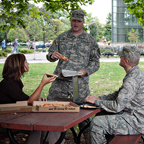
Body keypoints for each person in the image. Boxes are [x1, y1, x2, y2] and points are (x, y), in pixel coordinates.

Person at [46, 9, 100, 143]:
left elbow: (96, 62)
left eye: (79, 21)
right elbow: (50, 54)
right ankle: (54, 140)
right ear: (70, 20)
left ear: (83, 21)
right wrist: (51, 56)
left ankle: (89, 141)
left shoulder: (90, 40)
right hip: (60, 81)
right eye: (74, 20)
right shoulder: (61, 37)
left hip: (79, 83)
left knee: (84, 115)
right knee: (51, 110)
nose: (76, 23)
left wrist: (86, 71)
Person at [0, 53, 64, 144]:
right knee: (37, 126)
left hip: (12, 117)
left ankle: (57, 142)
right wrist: (42, 84)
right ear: (19, 66)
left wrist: (37, 100)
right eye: (26, 62)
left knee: (43, 123)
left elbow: (24, 99)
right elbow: (29, 102)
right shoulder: (8, 84)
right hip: (4, 122)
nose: (28, 64)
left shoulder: (14, 81)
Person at [84, 46, 143, 144]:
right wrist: (100, 98)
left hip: (137, 122)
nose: (119, 58)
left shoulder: (131, 80)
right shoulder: (135, 72)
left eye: (121, 57)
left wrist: (96, 101)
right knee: (101, 114)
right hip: (134, 115)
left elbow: (117, 106)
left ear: (126, 61)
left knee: (97, 123)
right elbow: (118, 94)